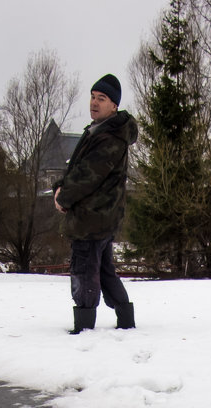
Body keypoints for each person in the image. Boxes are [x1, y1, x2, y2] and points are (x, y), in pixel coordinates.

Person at [53, 74, 138, 334]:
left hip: (92, 218)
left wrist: (64, 198)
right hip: (98, 217)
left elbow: (88, 175)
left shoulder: (109, 137)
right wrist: (60, 185)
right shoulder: (99, 131)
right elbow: (77, 168)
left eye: (101, 99)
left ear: (114, 105)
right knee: (103, 270)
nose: (94, 102)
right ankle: (125, 320)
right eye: (92, 96)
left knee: (85, 271)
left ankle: (84, 328)